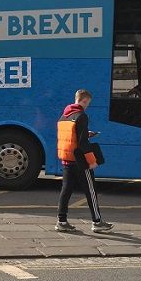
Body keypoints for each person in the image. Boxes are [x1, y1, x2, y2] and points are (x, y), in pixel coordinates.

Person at [55, 89, 113, 233]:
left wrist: (86, 133)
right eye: (88, 103)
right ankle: (97, 222)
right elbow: (82, 143)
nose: (87, 106)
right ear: (85, 101)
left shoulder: (64, 116)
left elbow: (70, 136)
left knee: (66, 190)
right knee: (90, 191)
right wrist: (92, 161)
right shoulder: (81, 116)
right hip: (79, 160)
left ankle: (61, 221)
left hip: (66, 159)